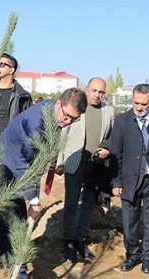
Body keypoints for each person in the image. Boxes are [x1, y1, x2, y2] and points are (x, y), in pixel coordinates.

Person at [0, 88, 87, 279]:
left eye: (74, 120)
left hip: (18, 166)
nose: (68, 123)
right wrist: (34, 201)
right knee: (18, 221)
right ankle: (18, 277)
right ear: (58, 104)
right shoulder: (36, 123)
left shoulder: (52, 113)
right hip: (4, 165)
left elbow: (36, 162)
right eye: (67, 116)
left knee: (8, 219)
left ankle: (6, 262)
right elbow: (24, 164)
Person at [110, 84, 149, 274]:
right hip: (129, 180)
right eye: (136, 102)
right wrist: (116, 182)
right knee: (129, 220)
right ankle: (132, 256)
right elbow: (116, 154)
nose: (139, 107)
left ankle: (148, 258)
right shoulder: (121, 121)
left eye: (143, 104)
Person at [56, 78, 114, 262]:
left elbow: (111, 136)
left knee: (89, 203)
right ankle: (69, 242)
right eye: (94, 90)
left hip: (96, 164)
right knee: (71, 203)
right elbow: (63, 132)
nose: (97, 95)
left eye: (101, 92)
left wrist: (106, 149)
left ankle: (81, 239)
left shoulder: (108, 112)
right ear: (87, 90)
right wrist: (60, 161)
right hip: (75, 161)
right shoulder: (77, 107)